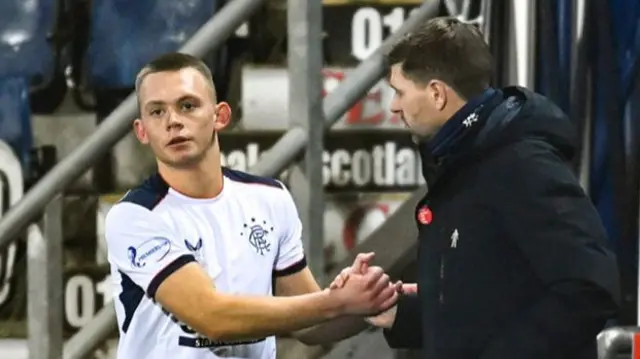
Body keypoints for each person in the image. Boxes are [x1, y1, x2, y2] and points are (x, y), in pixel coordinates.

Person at [331, 17, 620, 359]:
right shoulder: (462, 164)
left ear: (437, 93)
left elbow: (589, 288)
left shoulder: (521, 164)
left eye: (400, 91)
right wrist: (397, 312)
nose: (394, 106)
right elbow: (491, 301)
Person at [103, 52, 400, 359]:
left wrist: (373, 301)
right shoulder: (134, 216)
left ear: (220, 115)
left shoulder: (269, 199)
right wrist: (335, 301)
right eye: (157, 112)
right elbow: (211, 317)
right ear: (141, 131)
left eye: (187, 105)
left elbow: (312, 325)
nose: (173, 121)